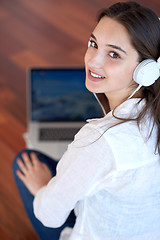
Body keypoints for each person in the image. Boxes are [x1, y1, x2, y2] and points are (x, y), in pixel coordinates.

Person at [12, 1, 160, 239]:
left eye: (114, 54)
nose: (93, 61)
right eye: (93, 44)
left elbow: (49, 216)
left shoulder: (98, 142)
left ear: (147, 70)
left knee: (24, 161)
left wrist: (40, 186)